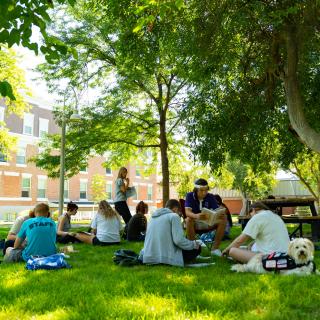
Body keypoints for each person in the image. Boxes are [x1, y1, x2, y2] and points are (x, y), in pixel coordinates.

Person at [222, 202, 290, 263]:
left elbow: (239, 240)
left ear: (254, 210)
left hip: (270, 258)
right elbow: (269, 236)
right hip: (285, 256)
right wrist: (252, 243)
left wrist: (226, 250)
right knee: (244, 248)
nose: (251, 217)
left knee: (233, 251)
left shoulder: (258, 217)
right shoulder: (275, 216)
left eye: (250, 214)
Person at [142, 199, 201, 267]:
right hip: (166, 258)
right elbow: (178, 241)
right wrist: (193, 244)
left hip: (148, 258)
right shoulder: (174, 216)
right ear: (175, 209)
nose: (180, 216)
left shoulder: (152, 218)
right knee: (197, 247)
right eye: (180, 213)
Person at [185, 178, 227, 256]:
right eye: (201, 190)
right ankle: (193, 249)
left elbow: (216, 209)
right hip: (195, 222)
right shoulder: (190, 195)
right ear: (196, 190)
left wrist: (220, 212)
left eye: (206, 190)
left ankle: (215, 249)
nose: (204, 192)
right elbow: (187, 212)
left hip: (208, 222)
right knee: (188, 220)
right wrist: (196, 216)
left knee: (224, 219)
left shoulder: (210, 196)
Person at [114, 167, 132, 235]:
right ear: (122, 172)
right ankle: (127, 234)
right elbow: (123, 190)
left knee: (123, 218)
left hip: (118, 202)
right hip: (120, 202)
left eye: (126, 173)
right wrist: (128, 182)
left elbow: (122, 190)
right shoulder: (120, 180)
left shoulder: (118, 180)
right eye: (125, 173)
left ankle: (125, 233)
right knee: (128, 219)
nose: (126, 175)